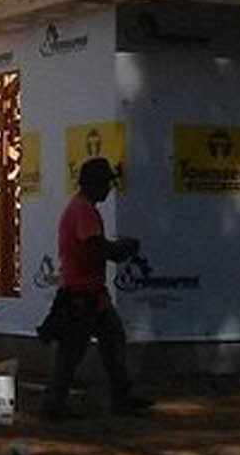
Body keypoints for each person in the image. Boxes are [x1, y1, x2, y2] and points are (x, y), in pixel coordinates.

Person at [36, 157, 153, 420]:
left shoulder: (82, 208)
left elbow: (97, 248)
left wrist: (117, 249)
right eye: (106, 184)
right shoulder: (83, 211)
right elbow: (97, 248)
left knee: (111, 342)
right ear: (94, 185)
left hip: (90, 294)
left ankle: (120, 397)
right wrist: (123, 249)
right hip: (81, 295)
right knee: (71, 352)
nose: (109, 189)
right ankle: (53, 404)